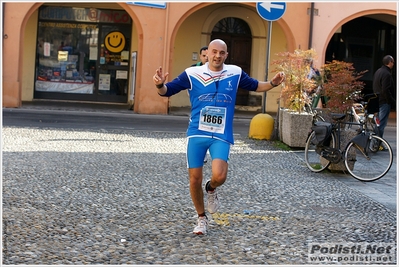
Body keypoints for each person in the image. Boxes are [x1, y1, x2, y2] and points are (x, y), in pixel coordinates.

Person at [152, 39, 285, 235]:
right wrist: (160, 85)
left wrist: (273, 83)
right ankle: (201, 218)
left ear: (226, 55)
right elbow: (167, 91)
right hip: (197, 132)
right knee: (194, 178)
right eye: (214, 52)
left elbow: (256, 86)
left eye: (221, 53)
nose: (217, 56)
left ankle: (212, 189)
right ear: (207, 53)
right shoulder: (192, 73)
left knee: (220, 176)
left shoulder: (235, 72)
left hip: (221, 133)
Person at [372, 55, 395, 140]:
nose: (393, 64)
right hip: (384, 102)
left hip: (377, 100)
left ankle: (375, 142)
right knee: (381, 124)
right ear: (389, 62)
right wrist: (391, 101)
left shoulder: (378, 71)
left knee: (378, 123)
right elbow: (385, 90)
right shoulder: (387, 74)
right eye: (393, 62)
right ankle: (377, 142)